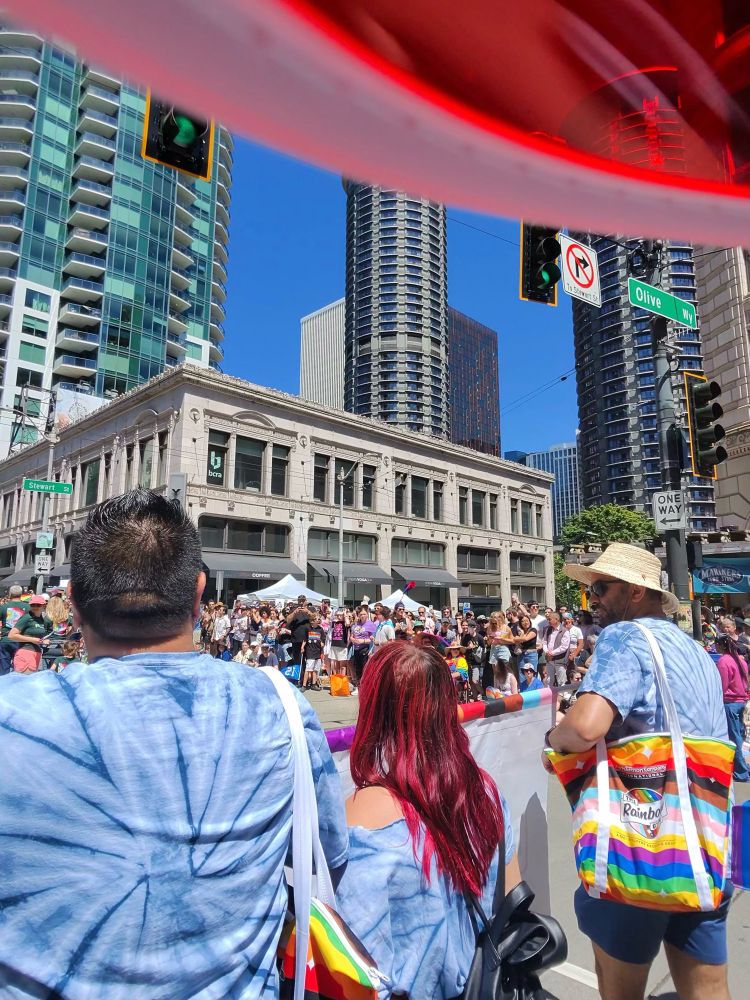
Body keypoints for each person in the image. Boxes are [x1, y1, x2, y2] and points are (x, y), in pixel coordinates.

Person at [0, 489, 348, 997]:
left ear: (71, 602)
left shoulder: (12, 717)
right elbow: (329, 856)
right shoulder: (280, 706)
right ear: (199, 592)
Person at [547, 542, 730, 1000]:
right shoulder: (695, 651)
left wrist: (554, 740)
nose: (593, 601)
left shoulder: (625, 637)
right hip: (706, 840)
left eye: (601, 588)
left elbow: (587, 726)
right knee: (708, 990)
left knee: (620, 990)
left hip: (641, 846)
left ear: (633, 592)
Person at [335, 636, 520, 999]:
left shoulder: (361, 815)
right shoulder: (484, 790)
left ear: (373, 708)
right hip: (484, 983)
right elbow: (512, 899)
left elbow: (356, 972)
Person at [714, 632, 750, 782]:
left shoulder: (724, 662)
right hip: (742, 702)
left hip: (731, 703)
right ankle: (743, 768)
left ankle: (741, 772)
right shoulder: (740, 661)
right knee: (741, 738)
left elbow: (722, 685)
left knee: (734, 739)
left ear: (721, 645)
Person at [7, 595, 52, 673]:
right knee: (25, 682)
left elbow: (38, 636)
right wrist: (32, 640)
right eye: (32, 605)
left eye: (38, 605)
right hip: (25, 653)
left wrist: (44, 640)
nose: (35, 607)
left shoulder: (42, 619)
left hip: (36, 653)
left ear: (44, 605)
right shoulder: (27, 618)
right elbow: (11, 635)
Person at [0, 584, 28, 675]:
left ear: (10, 594)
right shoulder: (28, 608)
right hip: (21, 640)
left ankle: (4, 686)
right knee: (20, 668)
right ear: (21, 594)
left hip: (5, 639)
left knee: (4, 668)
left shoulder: (3, 607)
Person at [543, 610, 570, 685]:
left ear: (556, 619)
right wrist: (546, 651)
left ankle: (562, 696)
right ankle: (550, 696)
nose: (548, 621)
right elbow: (544, 642)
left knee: (561, 682)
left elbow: (564, 647)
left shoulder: (565, 631)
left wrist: (552, 653)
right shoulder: (548, 629)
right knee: (549, 681)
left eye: (550, 619)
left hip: (560, 661)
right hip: (549, 660)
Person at [302, 614, 324, 690]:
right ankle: (304, 685)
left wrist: (322, 643)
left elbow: (323, 639)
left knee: (315, 669)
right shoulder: (307, 628)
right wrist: (302, 647)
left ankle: (313, 684)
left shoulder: (320, 629)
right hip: (310, 651)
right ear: (312, 621)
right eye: (317, 619)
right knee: (308, 669)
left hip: (318, 651)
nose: (318, 620)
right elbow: (304, 639)